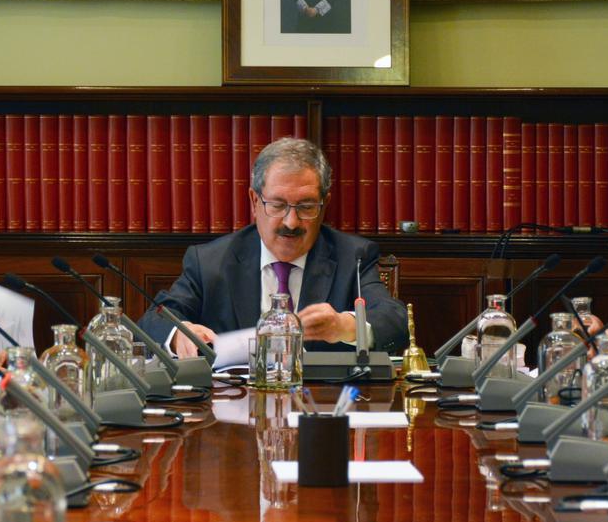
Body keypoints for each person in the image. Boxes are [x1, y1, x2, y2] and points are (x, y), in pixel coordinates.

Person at [139, 137, 407, 357]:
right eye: (278, 205)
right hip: (233, 409)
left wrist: (345, 326)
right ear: (255, 201)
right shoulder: (209, 261)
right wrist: (180, 334)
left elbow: (394, 321)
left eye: (306, 206)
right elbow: (156, 319)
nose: (291, 222)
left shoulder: (354, 257)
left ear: (324, 205)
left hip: (323, 408)